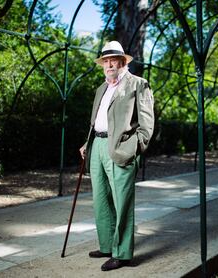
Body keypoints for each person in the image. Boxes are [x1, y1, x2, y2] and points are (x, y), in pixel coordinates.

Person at [79, 41, 154, 271]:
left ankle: (122, 254)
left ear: (123, 62)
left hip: (122, 147)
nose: (109, 64)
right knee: (100, 200)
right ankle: (106, 246)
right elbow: (98, 121)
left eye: (113, 60)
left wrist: (133, 148)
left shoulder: (138, 85)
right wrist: (87, 142)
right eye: (105, 61)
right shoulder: (101, 88)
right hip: (98, 146)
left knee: (122, 203)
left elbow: (146, 126)